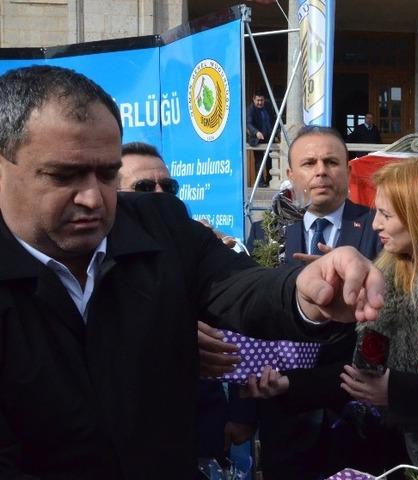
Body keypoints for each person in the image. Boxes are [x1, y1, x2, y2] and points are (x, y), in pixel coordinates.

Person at [0, 65, 383, 478]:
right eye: (63, 175)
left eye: (108, 173)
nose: (93, 198)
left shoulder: (158, 224)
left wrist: (304, 293)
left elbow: (239, 285)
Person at [250, 156, 418, 472]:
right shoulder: (383, 271)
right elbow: (360, 371)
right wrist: (289, 384)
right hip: (379, 457)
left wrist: (397, 392)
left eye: (386, 214)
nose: (374, 223)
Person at [118, 142, 256, 475]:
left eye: (169, 186)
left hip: (211, 436)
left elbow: (243, 327)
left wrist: (243, 413)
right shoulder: (96, 262)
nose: (160, 192)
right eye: (144, 187)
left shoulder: (197, 249)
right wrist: (172, 332)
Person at [255, 125, 382, 479]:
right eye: (309, 163)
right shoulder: (268, 231)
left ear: (348, 170)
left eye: (331, 162)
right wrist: (242, 409)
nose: (321, 171)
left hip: (353, 406)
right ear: (292, 175)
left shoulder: (377, 227)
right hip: (283, 410)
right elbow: (250, 319)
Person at [246, 91, 278, 186]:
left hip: (269, 138)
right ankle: (260, 183)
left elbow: (274, 119)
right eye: (258, 100)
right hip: (257, 139)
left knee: (270, 160)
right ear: (254, 99)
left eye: (262, 100)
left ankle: (270, 180)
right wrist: (256, 132)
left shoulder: (267, 107)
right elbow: (248, 123)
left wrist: (276, 133)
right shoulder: (250, 110)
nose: (260, 102)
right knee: (259, 161)